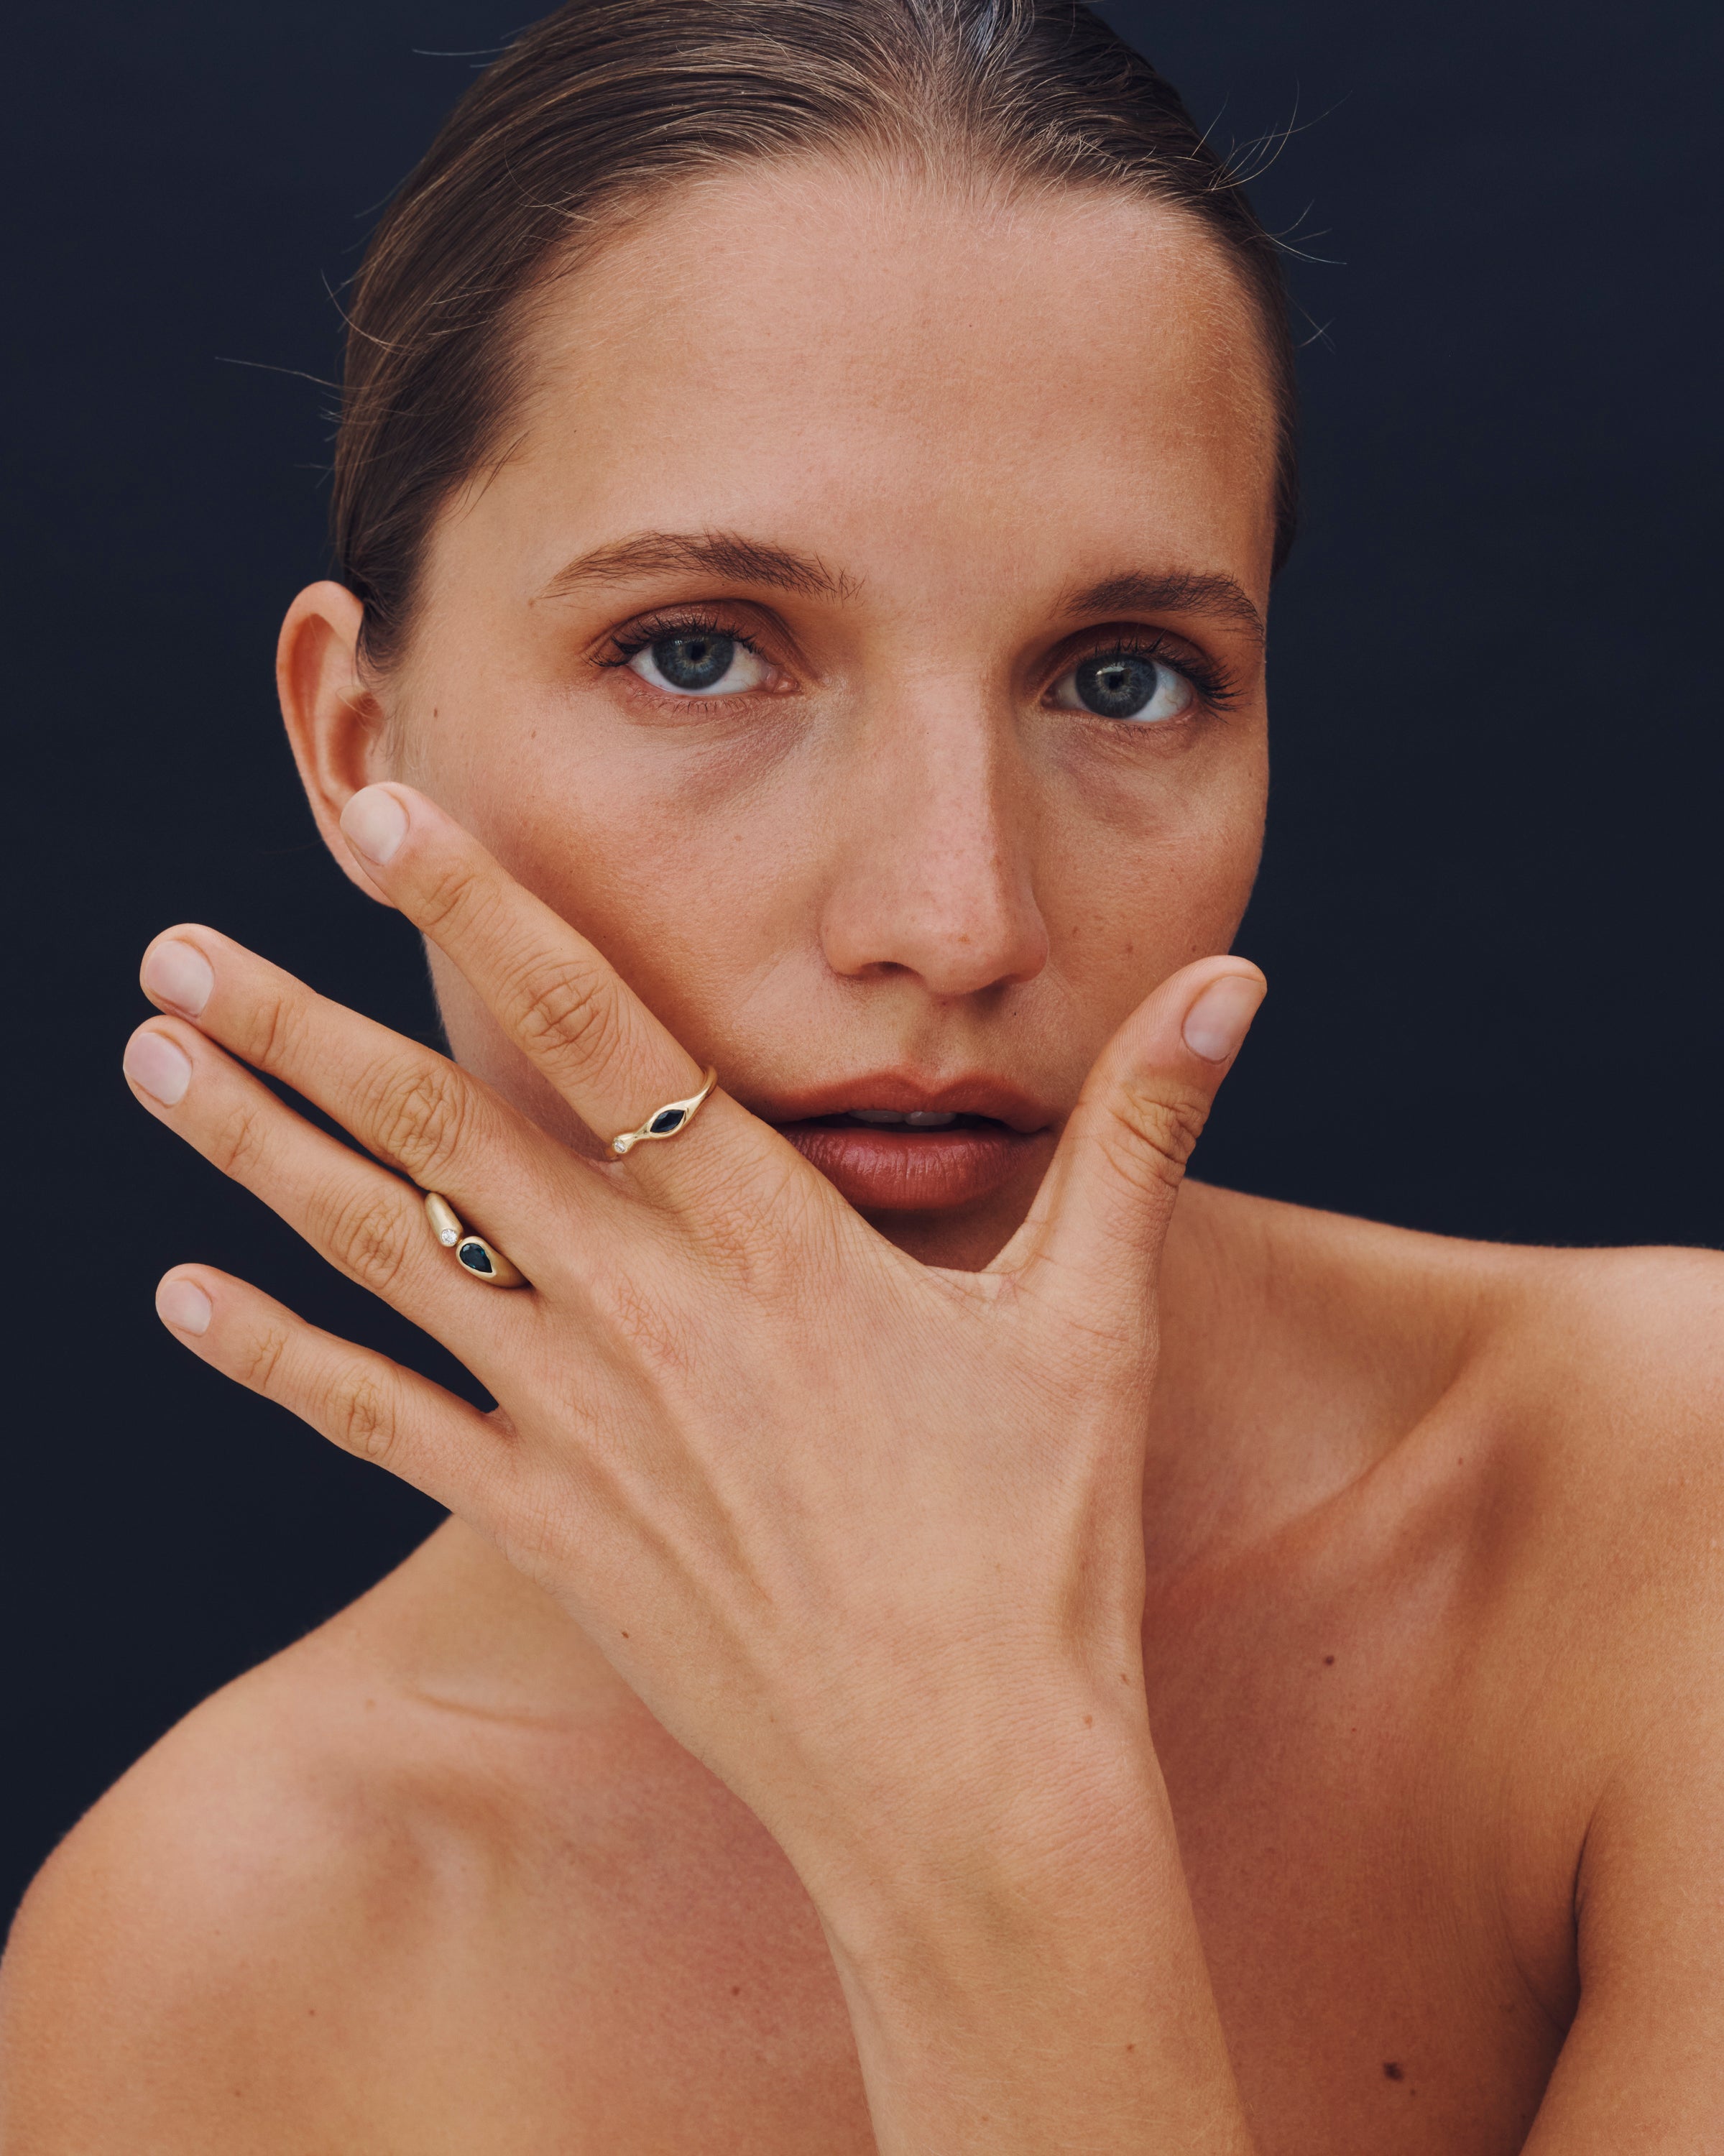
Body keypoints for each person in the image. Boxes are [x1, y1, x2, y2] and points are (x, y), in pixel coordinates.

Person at [2, 1, 1718, 2147]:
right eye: (699, 650)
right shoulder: (216, 1961)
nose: (955, 917)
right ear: (361, 742)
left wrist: (986, 1821)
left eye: (1125, 680)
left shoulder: (1672, 1520)